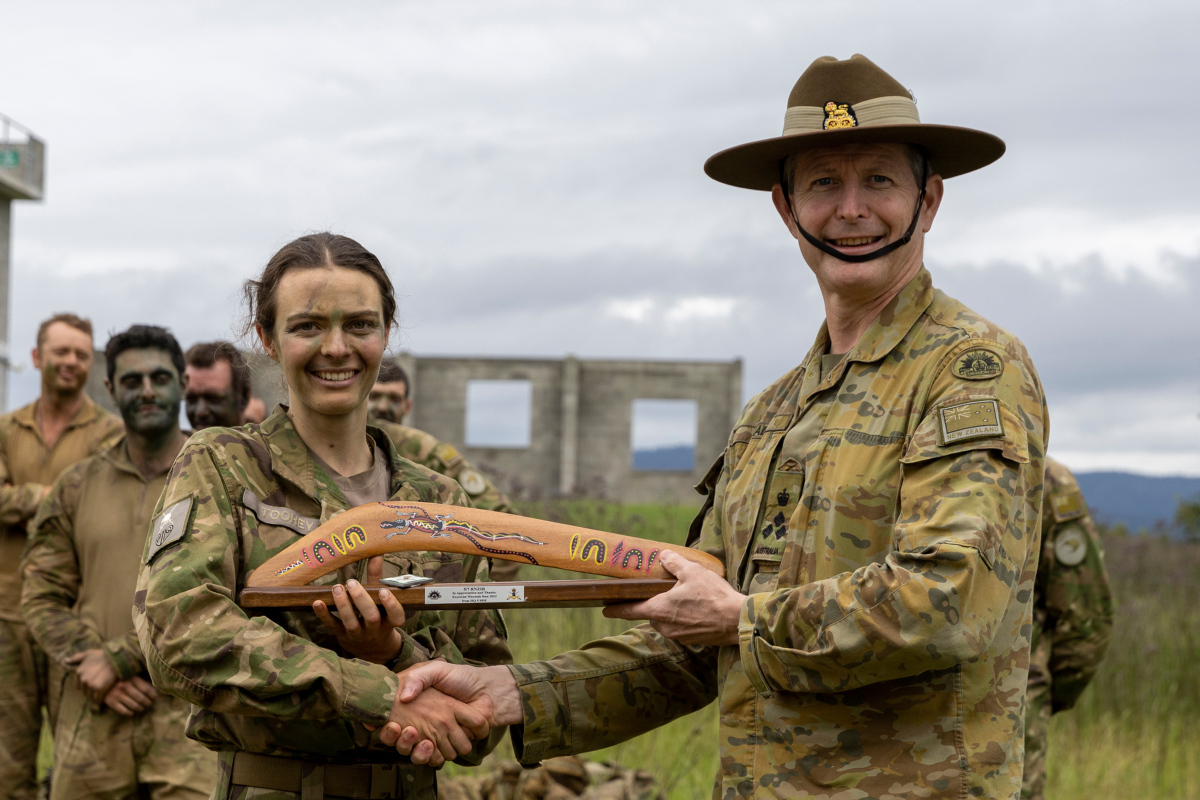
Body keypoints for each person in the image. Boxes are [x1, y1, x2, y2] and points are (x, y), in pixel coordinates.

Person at [391, 55, 1049, 800]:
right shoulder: (773, 412)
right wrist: (512, 690)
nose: (853, 209)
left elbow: (946, 602)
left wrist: (744, 620)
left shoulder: (971, 368)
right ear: (786, 209)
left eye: (881, 180)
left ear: (928, 202)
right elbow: (690, 636)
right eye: (824, 183)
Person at [133, 232, 512, 800]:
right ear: (267, 338)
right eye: (308, 326)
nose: (336, 348)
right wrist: (374, 690)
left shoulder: (440, 504)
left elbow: (485, 715)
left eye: (359, 324)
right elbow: (177, 635)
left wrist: (391, 653)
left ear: (387, 334)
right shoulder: (225, 467)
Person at [21, 325, 219, 799]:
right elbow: (41, 594)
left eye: (159, 377)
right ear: (111, 390)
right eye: (131, 381)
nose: (147, 391)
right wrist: (97, 670)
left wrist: (123, 659)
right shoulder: (76, 485)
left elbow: (239, 591)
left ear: (183, 383)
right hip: (94, 717)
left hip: (190, 717)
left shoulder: (224, 477)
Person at [0, 312, 123, 800]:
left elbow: (100, 515)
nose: (71, 362)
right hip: (6, 616)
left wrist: (23, 499)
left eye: (79, 353)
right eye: (60, 352)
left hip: (77, 621)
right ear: (37, 357)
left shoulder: (110, 435)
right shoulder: (7, 428)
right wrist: (55, 499)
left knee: (82, 761)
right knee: (7, 763)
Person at [1022, 458, 1114, 799]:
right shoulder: (1043, 475)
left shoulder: (1044, 479)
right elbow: (1086, 620)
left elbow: (1084, 620)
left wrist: (1037, 693)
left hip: (1007, 717)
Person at [369, 359, 515, 537]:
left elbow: (505, 523)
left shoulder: (427, 452)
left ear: (408, 406)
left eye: (394, 399)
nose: (383, 407)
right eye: (374, 397)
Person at [184, 340, 253, 429]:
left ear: (244, 397)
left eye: (213, 398)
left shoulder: (271, 442)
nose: (200, 412)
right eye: (191, 399)